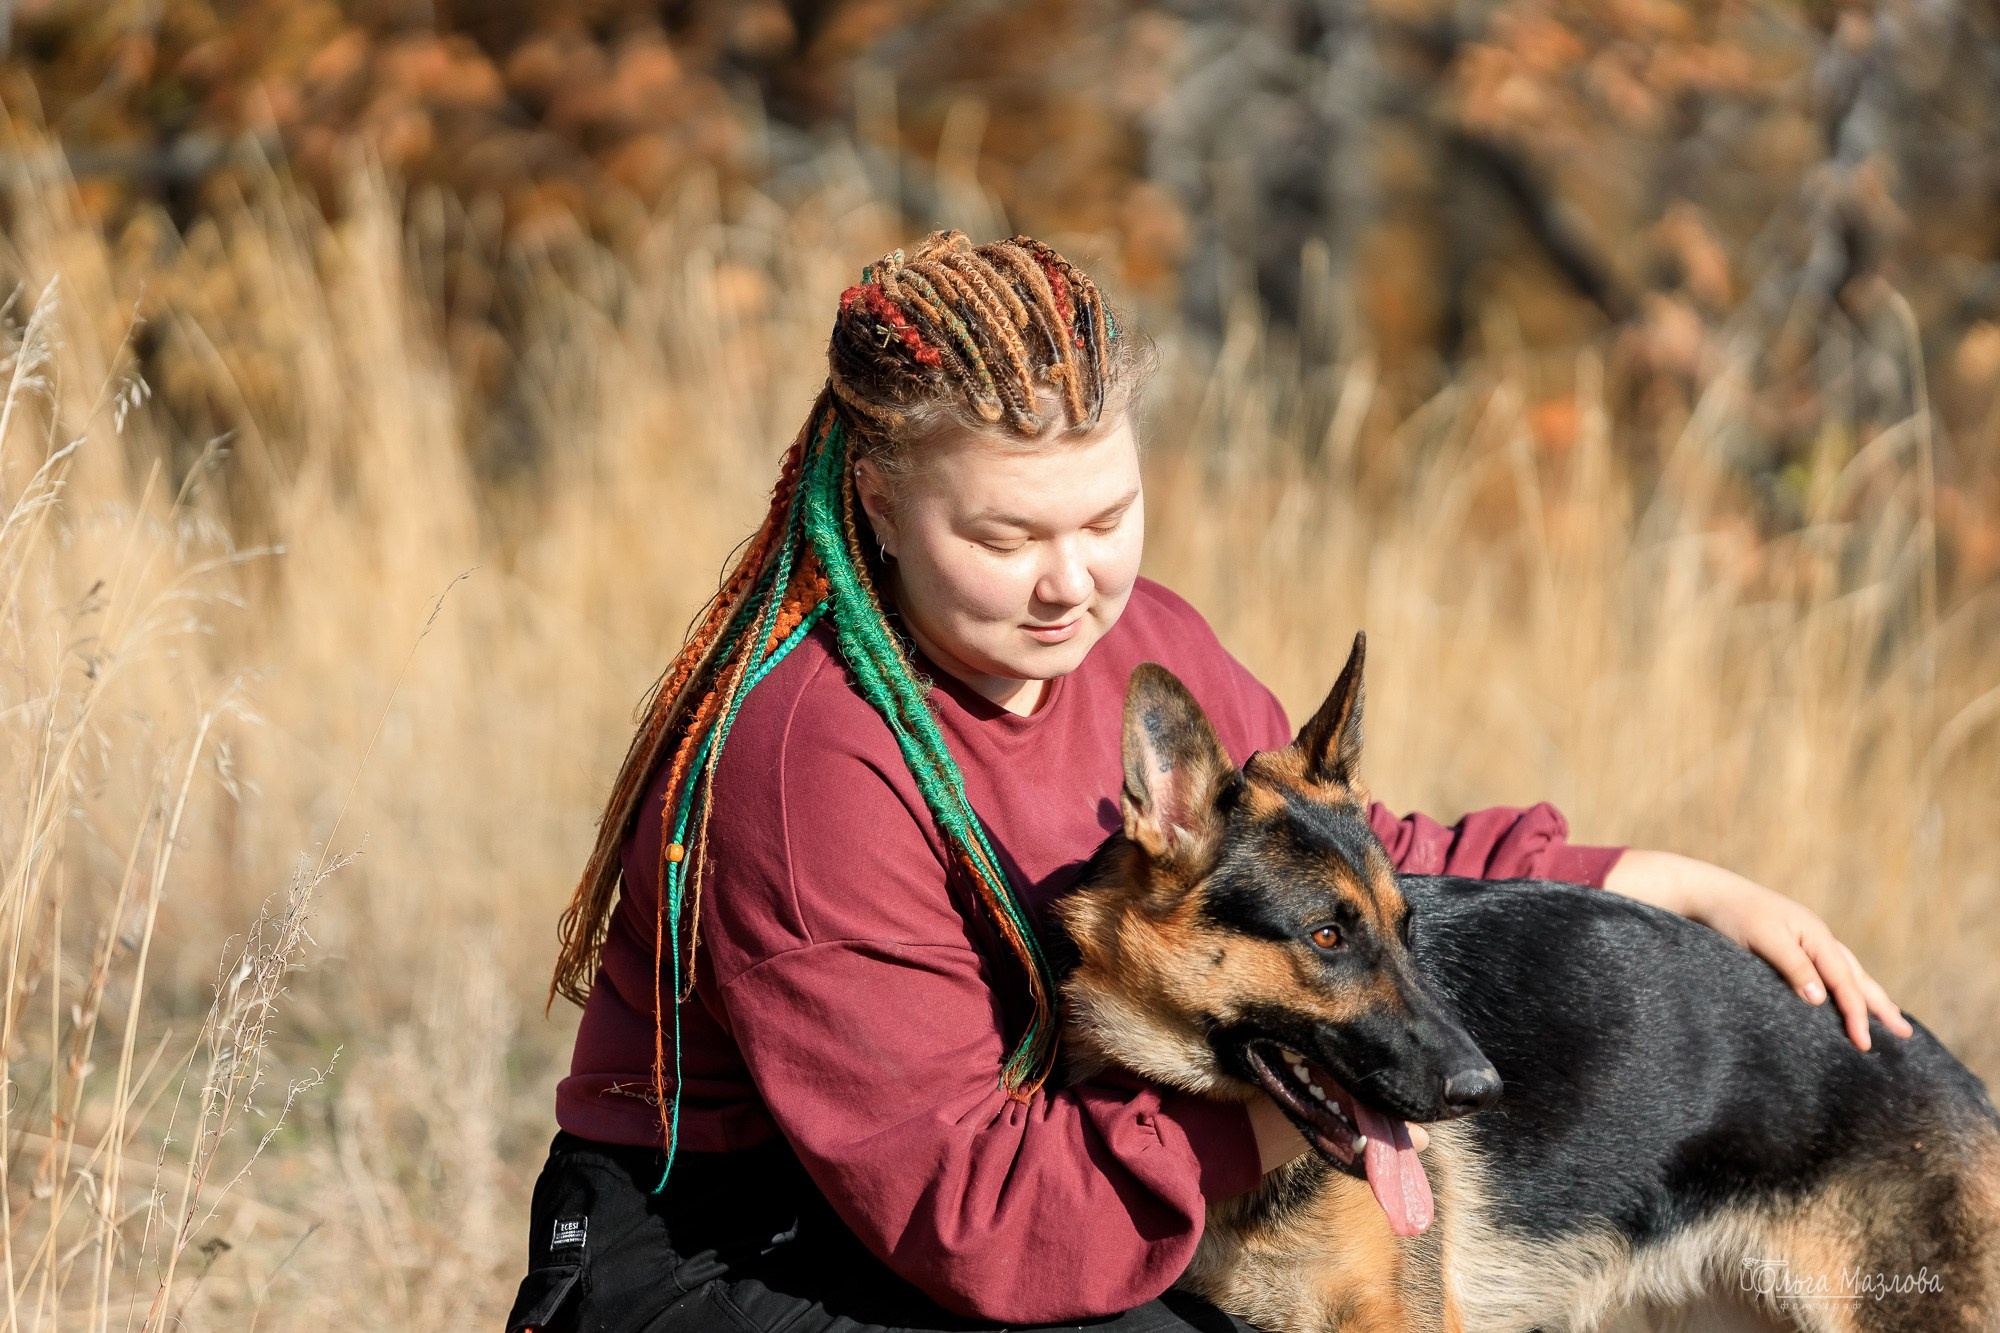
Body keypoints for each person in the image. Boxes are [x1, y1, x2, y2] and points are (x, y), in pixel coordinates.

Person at [508, 232, 1911, 1333]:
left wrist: (1640, 874)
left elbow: (1323, 852)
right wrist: (1288, 1107)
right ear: (876, 497)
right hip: (729, 1249)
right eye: (1007, 534)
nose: (1074, 581)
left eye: (1108, 515)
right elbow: (969, 1215)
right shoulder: (813, 758)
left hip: (986, 1189)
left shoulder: (1138, 640)